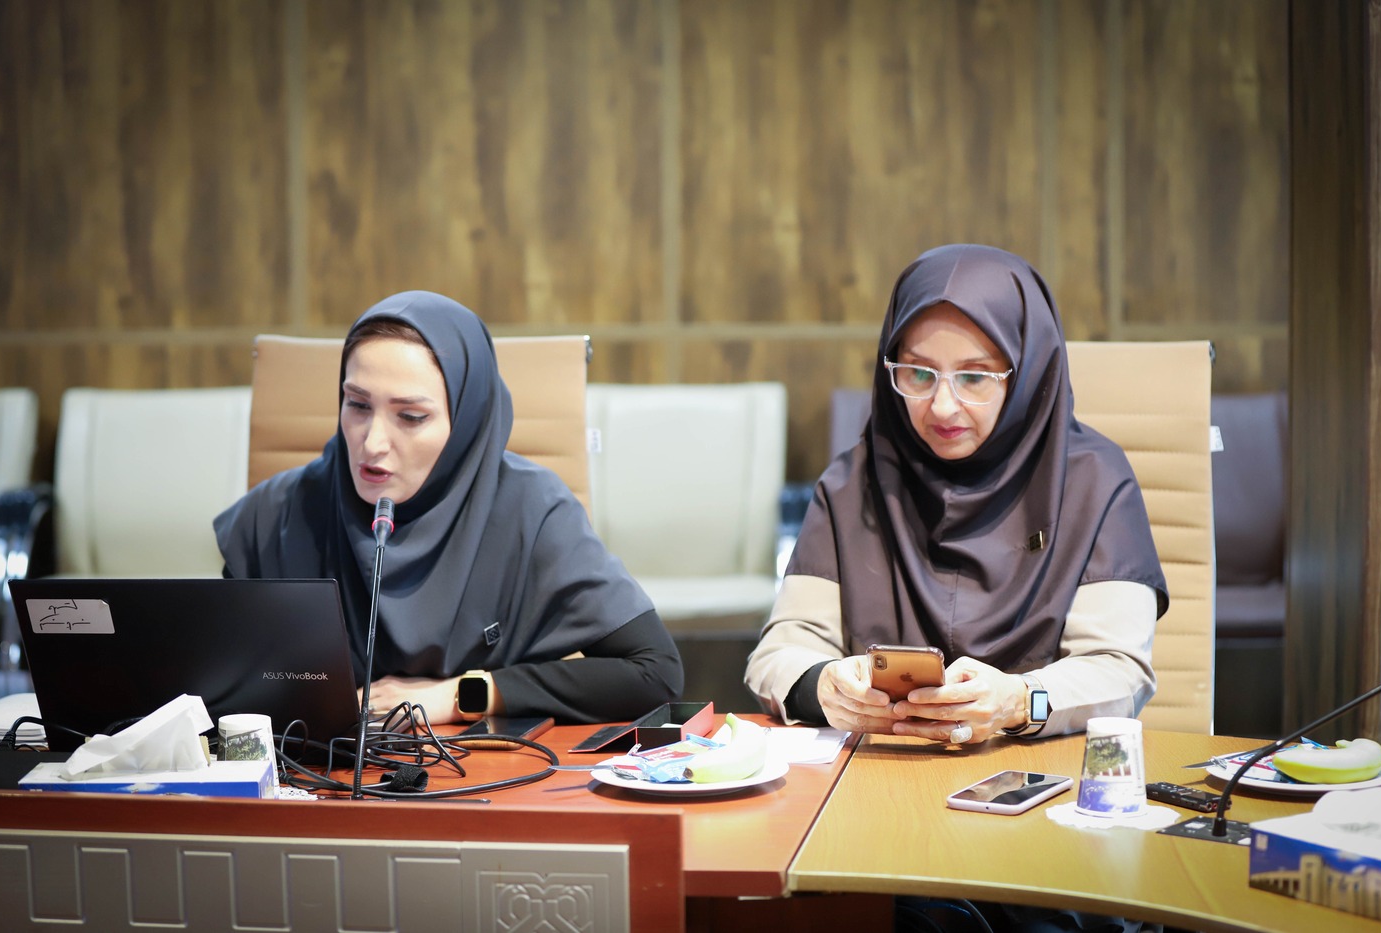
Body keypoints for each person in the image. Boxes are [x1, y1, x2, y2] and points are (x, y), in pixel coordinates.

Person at [747, 245, 1168, 933]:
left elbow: (1120, 671)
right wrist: (825, 686)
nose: (941, 404)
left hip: (1044, 810)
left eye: (974, 377)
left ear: (1026, 373)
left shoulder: (1096, 482)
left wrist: (1019, 700)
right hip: (878, 813)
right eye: (917, 373)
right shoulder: (853, 483)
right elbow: (780, 652)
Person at [215, 290, 683, 726]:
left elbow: (654, 672)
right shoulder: (279, 513)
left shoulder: (531, 512)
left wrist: (464, 694)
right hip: (320, 773)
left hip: (490, 771)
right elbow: (218, 685)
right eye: (357, 405)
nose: (372, 443)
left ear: (465, 421)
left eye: (410, 416)